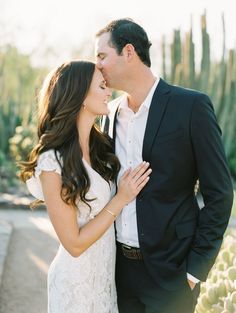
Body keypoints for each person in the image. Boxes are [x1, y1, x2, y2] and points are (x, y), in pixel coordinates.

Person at [95, 19, 234, 313]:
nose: (98, 66)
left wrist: (194, 270)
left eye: (102, 56)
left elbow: (219, 193)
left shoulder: (191, 107)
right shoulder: (108, 115)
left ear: (128, 52)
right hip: (120, 273)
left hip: (173, 275)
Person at [20, 60, 152, 313]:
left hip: (104, 281)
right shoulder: (52, 161)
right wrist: (120, 198)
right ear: (80, 95)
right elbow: (74, 243)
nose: (109, 92)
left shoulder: (100, 147)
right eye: (102, 86)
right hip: (75, 286)